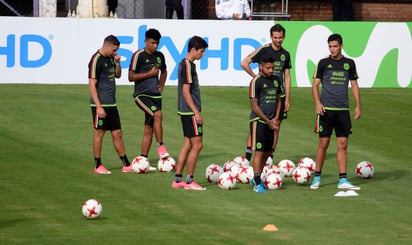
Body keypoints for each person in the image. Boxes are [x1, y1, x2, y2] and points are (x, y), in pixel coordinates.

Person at [310, 33, 361, 190]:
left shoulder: (349, 64)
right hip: (326, 110)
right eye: (330, 46)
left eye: (335, 46)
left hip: (343, 110)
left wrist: (358, 105)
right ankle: (317, 177)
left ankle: (343, 179)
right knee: (323, 143)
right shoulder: (323, 63)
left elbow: (354, 85)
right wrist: (318, 103)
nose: (332, 50)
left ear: (341, 46)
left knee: (343, 144)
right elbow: (315, 85)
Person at [240, 24, 292, 163]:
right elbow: (244, 63)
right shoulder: (264, 50)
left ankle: (269, 158)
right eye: (275, 37)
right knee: (257, 124)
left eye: (280, 37)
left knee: (276, 125)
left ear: (284, 36)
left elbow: (287, 76)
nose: (278, 40)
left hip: (278, 95)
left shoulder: (285, 54)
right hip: (264, 94)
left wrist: (287, 97)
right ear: (271, 37)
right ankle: (247, 158)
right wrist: (256, 79)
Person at [88, 35, 134, 174]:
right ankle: (98, 165)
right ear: (106, 46)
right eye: (114, 50)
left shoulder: (111, 59)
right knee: (100, 132)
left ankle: (126, 164)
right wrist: (99, 107)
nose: (115, 53)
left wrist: (118, 63)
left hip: (112, 104)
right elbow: (91, 85)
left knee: (118, 133)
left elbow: (118, 75)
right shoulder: (96, 59)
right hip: (100, 104)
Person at [128, 28, 169, 170]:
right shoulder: (138, 55)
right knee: (158, 114)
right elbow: (131, 77)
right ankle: (161, 148)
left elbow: (164, 71)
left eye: (157, 43)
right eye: (152, 43)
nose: (155, 46)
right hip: (142, 95)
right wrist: (150, 74)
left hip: (156, 96)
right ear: (145, 41)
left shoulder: (160, 56)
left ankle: (143, 160)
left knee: (148, 127)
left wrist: (161, 86)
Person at [172, 36, 209, 190]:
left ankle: (177, 179)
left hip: (185, 110)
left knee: (188, 143)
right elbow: (186, 91)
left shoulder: (186, 64)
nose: (203, 54)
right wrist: (196, 113)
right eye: (201, 51)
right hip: (189, 111)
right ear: (193, 50)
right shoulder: (187, 65)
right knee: (198, 144)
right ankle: (189, 181)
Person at [249, 55, 282, 193]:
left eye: (272, 68)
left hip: (271, 121)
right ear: (261, 66)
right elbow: (254, 105)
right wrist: (268, 121)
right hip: (259, 121)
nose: (270, 70)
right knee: (259, 151)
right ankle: (257, 183)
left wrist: (276, 118)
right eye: (268, 68)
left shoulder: (276, 80)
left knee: (269, 151)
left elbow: (279, 100)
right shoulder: (256, 81)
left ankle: (256, 175)